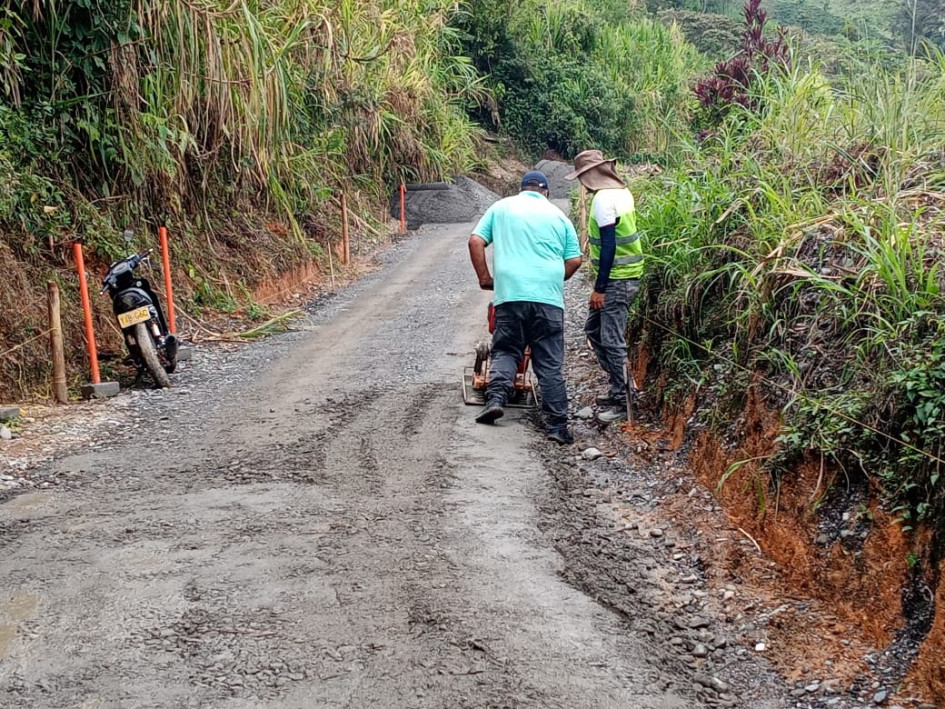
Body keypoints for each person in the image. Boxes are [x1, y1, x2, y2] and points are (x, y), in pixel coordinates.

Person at [468, 170, 583, 445]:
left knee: (506, 349)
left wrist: (485, 278)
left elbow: (475, 241)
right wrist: (555, 279)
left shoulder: (501, 207)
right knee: (549, 363)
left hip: (511, 296)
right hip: (549, 301)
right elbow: (576, 260)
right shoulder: (559, 216)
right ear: (544, 192)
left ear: (522, 189)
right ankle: (557, 426)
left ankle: (495, 401)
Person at [566, 150, 643, 425]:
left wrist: (600, 288)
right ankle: (617, 388)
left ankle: (624, 401)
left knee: (611, 338)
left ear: (589, 175)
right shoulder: (623, 193)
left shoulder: (602, 200)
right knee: (594, 330)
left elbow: (609, 245)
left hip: (616, 279)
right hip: (627, 275)